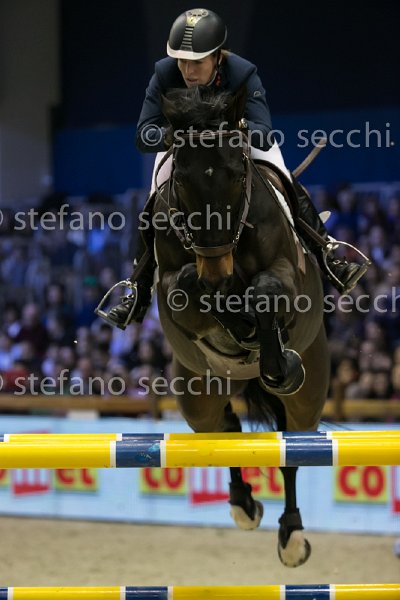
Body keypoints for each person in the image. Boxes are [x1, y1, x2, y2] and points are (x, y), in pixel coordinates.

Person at [101, 7, 368, 330]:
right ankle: (137, 289)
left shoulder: (242, 73)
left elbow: (263, 131)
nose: (187, 70)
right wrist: (173, 134)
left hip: (235, 145)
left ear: (217, 57)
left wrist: (232, 131)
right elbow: (143, 135)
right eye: (182, 61)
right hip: (186, 149)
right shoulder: (164, 73)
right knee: (153, 201)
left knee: (282, 179)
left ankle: (328, 254)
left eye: (197, 62)